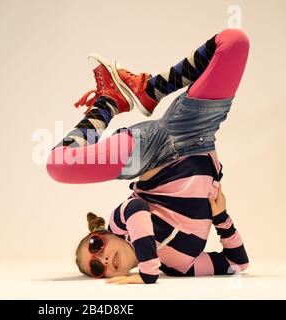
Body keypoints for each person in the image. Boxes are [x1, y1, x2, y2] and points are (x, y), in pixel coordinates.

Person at [47, 29, 250, 284]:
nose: (104, 259)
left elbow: (137, 208)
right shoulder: (180, 267)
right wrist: (221, 218)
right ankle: (130, 93)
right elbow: (237, 263)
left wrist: (148, 272)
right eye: (97, 268)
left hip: (152, 151)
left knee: (60, 165)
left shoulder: (121, 223)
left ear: (102, 234)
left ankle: (115, 101)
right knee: (235, 44)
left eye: (96, 245)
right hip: (197, 133)